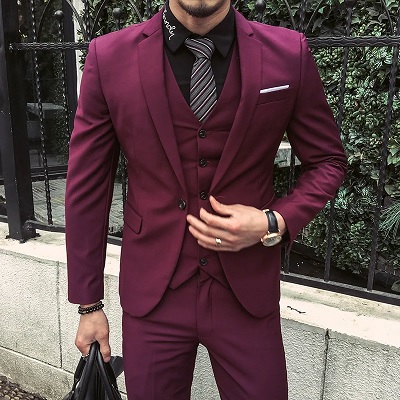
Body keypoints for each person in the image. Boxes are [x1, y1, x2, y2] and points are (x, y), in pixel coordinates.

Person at [65, 0, 347, 398]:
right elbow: (87, 187)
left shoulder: (288, 53)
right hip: (153, 297)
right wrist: (89, 304)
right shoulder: (109, 56)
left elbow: (328, 161)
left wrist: (273, 221)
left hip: (246, 293)